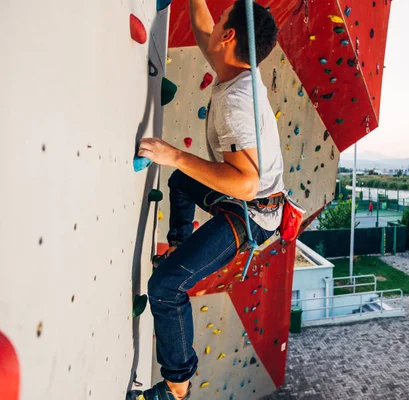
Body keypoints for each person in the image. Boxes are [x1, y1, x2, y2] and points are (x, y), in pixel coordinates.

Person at [128, 1, 283, 399]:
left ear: (229, 36)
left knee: (165, 287)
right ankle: (180, 246)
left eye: (222, 21)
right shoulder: (234, 67)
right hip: (247, 198)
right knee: (181, 182)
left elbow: (246, 185)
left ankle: (177, 386)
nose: (213, 26)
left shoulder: (236, 103)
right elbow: (202, 28)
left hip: (253, 214)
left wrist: (173, 153)